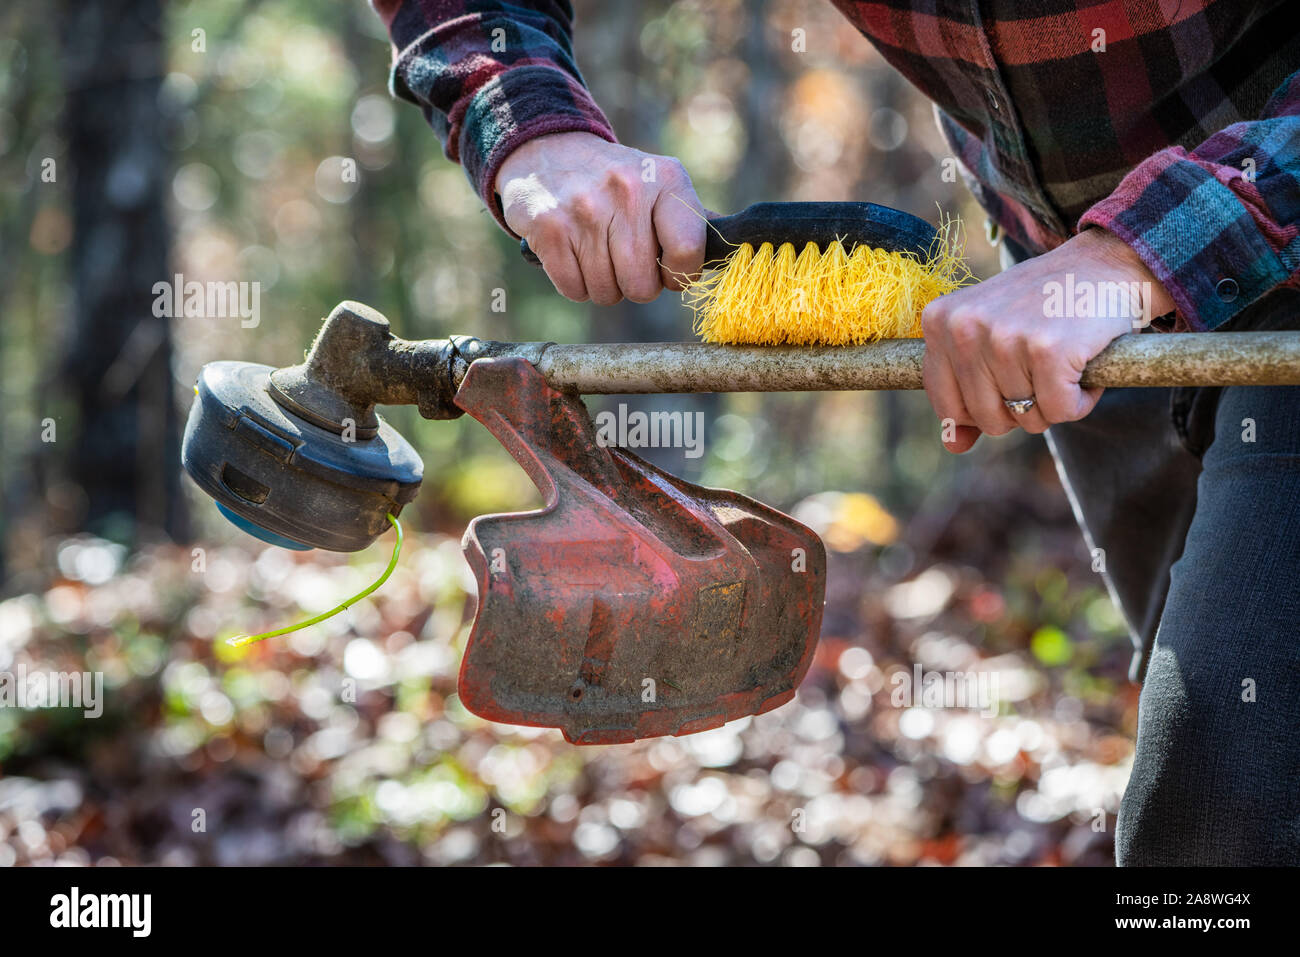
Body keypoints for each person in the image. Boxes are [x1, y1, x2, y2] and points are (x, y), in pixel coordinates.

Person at [369, 0, 1300, 866]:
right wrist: (531, 122)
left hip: (1250, 262)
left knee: (1219, 800)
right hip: (1061, 300)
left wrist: (1139, 250)